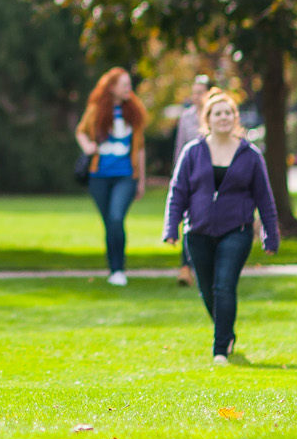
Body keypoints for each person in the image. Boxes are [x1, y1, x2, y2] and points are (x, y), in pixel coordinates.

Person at [164, 89, 279, 365]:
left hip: (236, 230)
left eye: (228, 113)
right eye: (218, 113)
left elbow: (265, 197)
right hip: (198, 232)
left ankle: (220, 349)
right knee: (207, 289)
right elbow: (177, 191)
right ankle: (226, 332)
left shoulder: (249, 154)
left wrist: (270, 235)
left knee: (224, 286)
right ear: (208, 118)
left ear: (235, 118)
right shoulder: (193, 152)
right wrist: (172, 227)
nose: (223, 117)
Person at [76, 68, 148, 286]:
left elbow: (141, 149)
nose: (129, 88)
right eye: (124, 84)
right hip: (99, 175)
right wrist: (87, 145)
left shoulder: (134, 111)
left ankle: (120, 268)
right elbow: (80, 131)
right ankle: (113, 269)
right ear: (112, 87)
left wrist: (141, 181)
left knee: (116, 217)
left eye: (129, 84)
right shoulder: (96, 109)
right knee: (109, 222)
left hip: (125, 175)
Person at [171, 75, 213, 286]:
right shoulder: (186, 117)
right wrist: (177, 176)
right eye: (194, 92)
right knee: (189, 221)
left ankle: (205, 265)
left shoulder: (217, 116)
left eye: (200, 92)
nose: (196, 96)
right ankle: (185, 267)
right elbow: (180, 148)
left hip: (211, 179)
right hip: (190, 177)